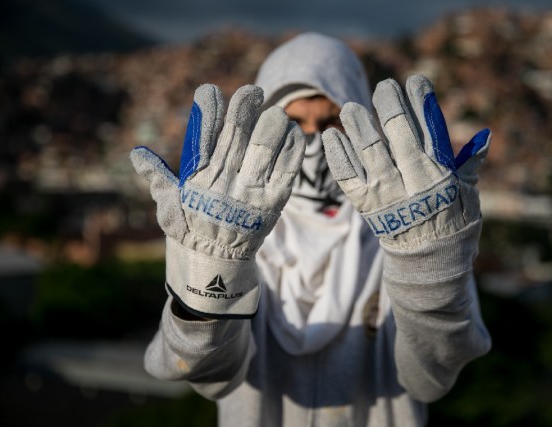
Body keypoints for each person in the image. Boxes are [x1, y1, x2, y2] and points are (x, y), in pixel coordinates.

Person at [131, 32, 492, 427]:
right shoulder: (224, 231)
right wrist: (209, 270)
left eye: (330, 121)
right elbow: (205, 373)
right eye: (291, 121)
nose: (312, 140)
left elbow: (430, 378)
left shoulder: (407, 228)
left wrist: (428, 264)